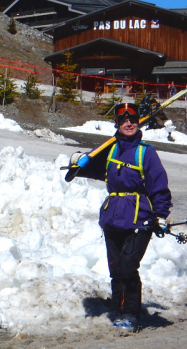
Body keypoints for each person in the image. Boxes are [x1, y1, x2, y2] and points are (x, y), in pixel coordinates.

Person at [69, 102, 172, 332]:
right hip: (113, 216)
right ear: (117, 123)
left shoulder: (147, 152)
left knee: (127, 266)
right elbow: (88, 167)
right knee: (116, 267)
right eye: (124, 120)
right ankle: (119, 310)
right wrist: (77, 160)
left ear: (138, 122)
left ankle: (131, 315)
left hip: (140, 217)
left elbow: (159, 187)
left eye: (133, 120)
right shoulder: (111, 149)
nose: (129, 123)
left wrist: (161, 215)